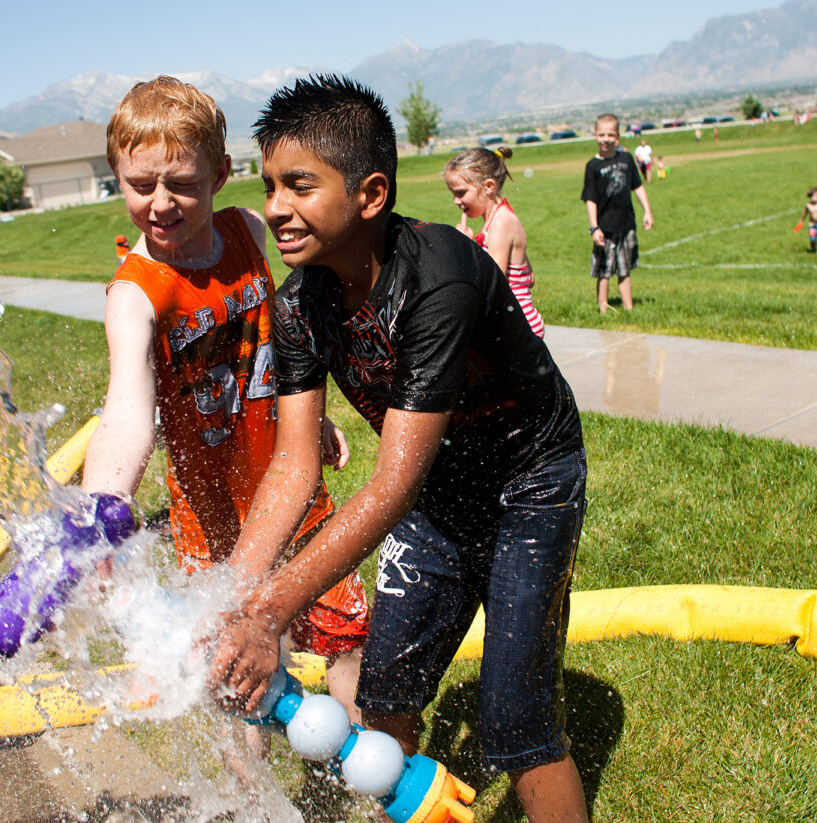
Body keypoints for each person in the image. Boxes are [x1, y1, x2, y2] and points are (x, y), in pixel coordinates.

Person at [210, 75, 589, 823]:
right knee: (386, 698)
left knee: (517, 721)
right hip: (434, 484)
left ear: (371, 193)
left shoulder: (438, 277)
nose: (277, 207)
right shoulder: (298, 305)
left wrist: (271, 610)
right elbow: (293, 464)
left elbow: (391, 483)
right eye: (269, 187)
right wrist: (235, 602)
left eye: (300, 185)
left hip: (529, 483)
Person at [83, 76, 370, 726]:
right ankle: (255, 801)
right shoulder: (135, 296)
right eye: (139, 184)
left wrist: (314, 414)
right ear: (116, 177)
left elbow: (276, 338)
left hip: (286, 480)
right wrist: (102, 513)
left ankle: (362, 771)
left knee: (347, 634)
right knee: (235, 672)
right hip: (209, 510)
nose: (161, 202)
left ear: (219, 173)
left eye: (181, 183)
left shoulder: (247, 231)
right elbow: (126, 412)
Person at [443, 146, 546, 337]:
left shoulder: (501, 222)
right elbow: (529, 277)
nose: (456, 201)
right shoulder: (498, 219)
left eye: (461, 193)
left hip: (518, 328)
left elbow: (492, 281)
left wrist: (466, 247)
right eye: (453, 194)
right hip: (513, 323)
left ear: (489, 186)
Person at [582, 113, 655, 314]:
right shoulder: (593, 166)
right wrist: (594, 227)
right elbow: (590, 200)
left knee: (625, 269)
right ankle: (603, 309)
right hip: (604, 227)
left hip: (626, 224)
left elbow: (638, 187)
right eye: (602, 134)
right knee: (604, 271)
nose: (606, 139)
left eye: (611, 135)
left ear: (618, 137)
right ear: (595, 135)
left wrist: (647, 212)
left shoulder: (626, 158)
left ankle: (628, 307)